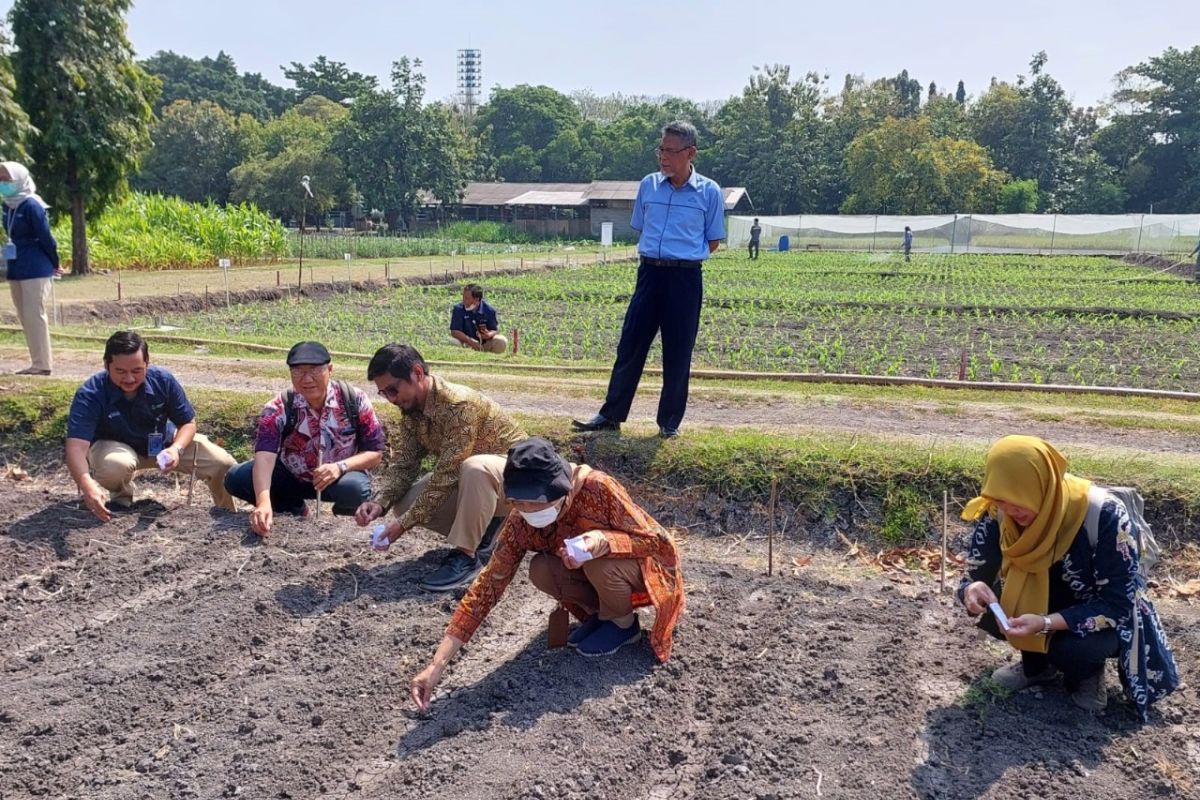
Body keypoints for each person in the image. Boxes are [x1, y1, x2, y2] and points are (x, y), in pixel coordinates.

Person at [409, 437, 685, 712]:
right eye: (521, 503)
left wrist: (605, 541)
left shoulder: (597, 488)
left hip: (635, 569)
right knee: (541, 569)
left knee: (598, 562)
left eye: (538, 502)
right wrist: (436, 665)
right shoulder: (520, 524)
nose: (530, 511)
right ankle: (602, 617)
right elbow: (487, 587)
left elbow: (656, 542)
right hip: (594, 576)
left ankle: (624, 625)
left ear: (561, 488)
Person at [957, 435, 1179, 718]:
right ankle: (1037, 667)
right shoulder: (997, 512)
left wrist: (1046, 623)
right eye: (1002, 501)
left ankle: (1086, 675)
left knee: (1076, 648)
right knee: (994, 605)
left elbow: (1116, 605)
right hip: (1037, 608)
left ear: (1041, 486)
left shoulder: (1104, 514)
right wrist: (972, 589)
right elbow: (976, 574)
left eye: (1019, 500)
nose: (1011, 510)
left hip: (1096, 614)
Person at [572, 121, 725, 439]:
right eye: (661, 150)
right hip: (650, 274)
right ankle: (611, 415)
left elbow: (713, 241)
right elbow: (642, 227)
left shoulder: (709, 192)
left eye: (670, 151)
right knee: (631, 344)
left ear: (690, 152)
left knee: (678, 349)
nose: (663, 157)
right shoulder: (648, 185)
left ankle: (669, 423)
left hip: (685, 278)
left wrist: (681, 255)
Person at [357, 343, 526, 591]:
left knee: (475, 468)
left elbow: (448, 473)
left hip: (519, 481)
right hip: (478, 483)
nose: (391, 399)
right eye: (384, 394)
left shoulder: (460, 406)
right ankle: (488, 529)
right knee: (404, 504)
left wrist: (402, 526)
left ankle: (466, 556)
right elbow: (405, 465)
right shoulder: (412, 410)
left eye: (393, 390)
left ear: (417, 373)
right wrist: (380, 502)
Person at [65, 331, 237, 521]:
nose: (129, 379)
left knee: (223, 464)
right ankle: (121, 502)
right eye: (121, 371)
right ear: (107, 365)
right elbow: (75, 447)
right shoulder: (90, 393)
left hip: (164, 444)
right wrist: (87, 485)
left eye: (137, 370)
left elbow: (187, 423)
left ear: (147, 363)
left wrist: (176, 449)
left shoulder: (163, 380)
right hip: (117, 449)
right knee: (114, 467)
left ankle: (227, 515)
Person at [224, 341, 384, 535]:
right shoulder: (279, 407)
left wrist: (339, 467)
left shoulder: (354, 400)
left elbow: (375, 453)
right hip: (292, 477)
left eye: (315, 370)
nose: (307, 379)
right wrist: (263, 502)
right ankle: (294, 509)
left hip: (337, 476)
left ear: (330, 369)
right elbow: (265, 457)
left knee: (355, 490)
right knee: (237, 477)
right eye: (298, 372)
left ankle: (341, 525)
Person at [2, 161, 59, 376]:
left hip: (36, 267)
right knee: (24, 315)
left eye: (7, 179)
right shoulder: (7, 205)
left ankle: (42, 364)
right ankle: (35, 360)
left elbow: (46, 237)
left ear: (19, 179)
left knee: (35, 314)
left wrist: (55, 262)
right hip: (16, 267)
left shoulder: (32, 205)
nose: (3, 183)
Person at [450, 284, 508, 354]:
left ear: (476, 299)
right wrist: (470, 341)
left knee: (501, 340)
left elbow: (495, 330)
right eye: (463, 297)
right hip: (466, 344)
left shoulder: (489, 310)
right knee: (453, 342)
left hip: (485, 345)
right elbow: (454, 331)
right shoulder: (458, 309)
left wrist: (488, 335)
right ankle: (463, 356)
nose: (464, 300)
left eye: (467, 298)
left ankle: (491, 358)